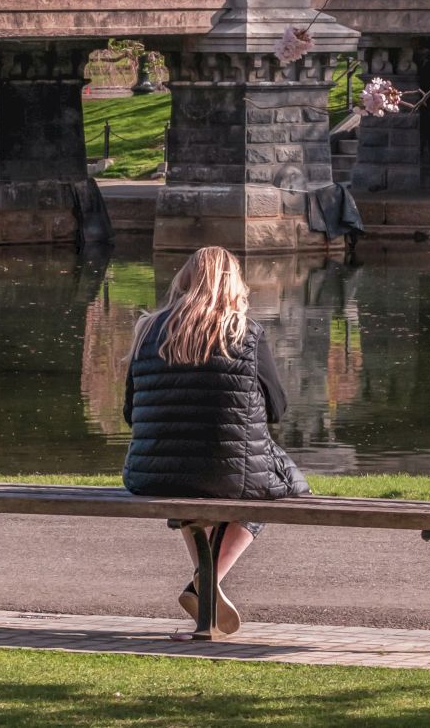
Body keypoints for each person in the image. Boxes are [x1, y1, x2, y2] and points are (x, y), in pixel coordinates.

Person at [123, 246, 307, 637]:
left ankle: (205, 580)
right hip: (227, 474)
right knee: (279, 484)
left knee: (191, 479)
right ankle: (206, 581)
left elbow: (129, 412)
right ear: (234, 285)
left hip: (152, 474)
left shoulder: (147, 331)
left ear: (184, 281)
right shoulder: (244, 333)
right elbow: (277, 408)